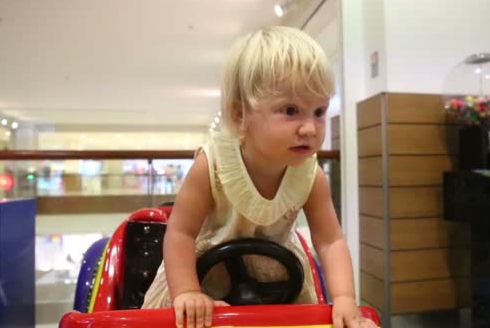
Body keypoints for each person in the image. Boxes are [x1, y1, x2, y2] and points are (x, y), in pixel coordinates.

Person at [142, 26, 378, 328]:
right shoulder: (212, 165)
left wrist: (344, 297)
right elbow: (181, 233)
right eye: (291, 110)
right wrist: (187, 291)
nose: (310, 128)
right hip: (202, 279)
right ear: (240, 115)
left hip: (278, 283)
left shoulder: (311, 175)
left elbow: (331, 241)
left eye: (319, 111)